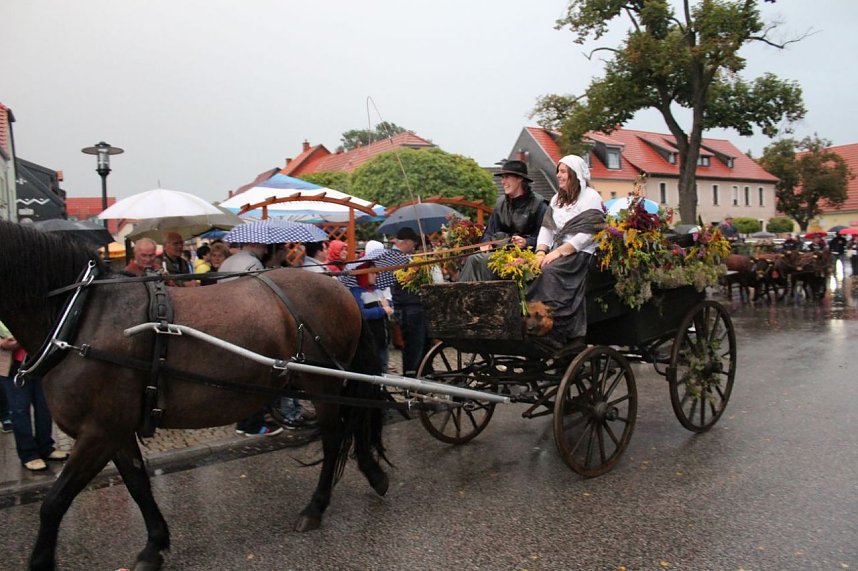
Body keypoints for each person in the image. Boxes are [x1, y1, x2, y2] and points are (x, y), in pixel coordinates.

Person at [526, 154, 605, 351]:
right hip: (557, 251)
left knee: (550, 272)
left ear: (575, 175)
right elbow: (547, 228)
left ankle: (559, 325)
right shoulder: (556, 199)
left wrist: (559, 252)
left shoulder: (591, 197)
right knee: (531, 269)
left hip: (581, 253)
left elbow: (588, 233)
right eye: (558, 171)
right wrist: (540, 252)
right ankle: (532, 320)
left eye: (563, 172)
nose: (559, 176)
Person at [219, 242, 284, 436]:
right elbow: (261, 297)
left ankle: (242, 421)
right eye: (264, 246)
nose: (266, 250)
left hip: (225, 321)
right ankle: (253, 423)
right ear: (254, 244)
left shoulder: (228, 262)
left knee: (243, 376)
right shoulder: (253, 264)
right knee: (256, 375)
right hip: (247, 324)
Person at [459, 159, 548, 281]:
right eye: (502, 178)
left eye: (506, 177)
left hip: (525, 258)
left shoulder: (539, 205)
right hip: (499, 254)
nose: (502, 182)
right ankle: (461, 296)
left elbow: (546, 238)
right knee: (473, 258)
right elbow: (488, 233)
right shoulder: (500, 203)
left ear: (520, 179)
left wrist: (527, 242)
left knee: (479, 261)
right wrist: (486, 243)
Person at [0, 321, 69, 471]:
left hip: (38, 360)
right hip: (12, 366)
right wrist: (2, 343)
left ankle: (46, 447)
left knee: (43, 404)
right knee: (19, 409)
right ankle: (28, 454)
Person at [390, 227, 426, 377]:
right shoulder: (398, 258)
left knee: (414, 347)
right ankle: (411, 378)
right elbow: (403, 281)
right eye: (413, 244)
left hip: (405, 306)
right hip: (409, 307)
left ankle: (415, 375)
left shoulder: (400, 257)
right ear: (406, 242)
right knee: (413, 348)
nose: (414, 247)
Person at [348, 258, 394, 372]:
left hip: (382, 338)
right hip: (369, 340)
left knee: (383, 366)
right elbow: (362, 313)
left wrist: (388, 304)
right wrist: (382, 310)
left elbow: (387, 304)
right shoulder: (357, 292)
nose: (376, 275)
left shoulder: (377, 290)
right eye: (372, 273)